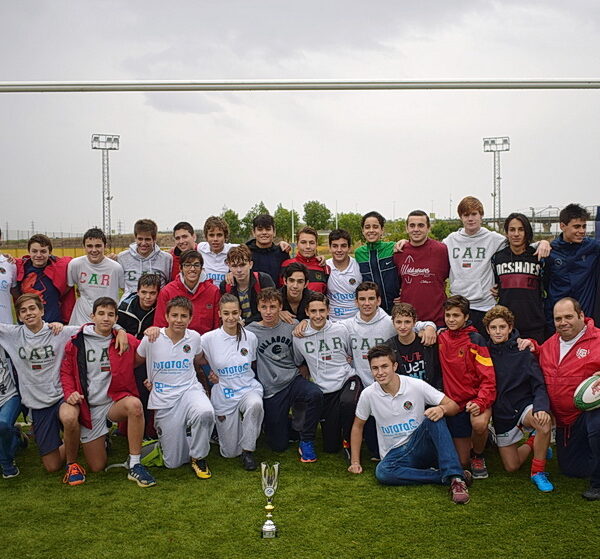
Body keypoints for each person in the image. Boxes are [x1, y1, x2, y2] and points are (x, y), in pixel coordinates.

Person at [0, 294, 127, 479]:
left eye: (32, 308)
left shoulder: (60, 331)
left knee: (69, 418)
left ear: (42, 311)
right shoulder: (12, 335)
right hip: (37, 404)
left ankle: (72, 464)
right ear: (18, 316)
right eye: (23, 311)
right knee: (51, 466)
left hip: (62, 396)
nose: (29, 313)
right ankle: (83, 439)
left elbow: (98, 325)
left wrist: (120, 329)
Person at [348, 345, 471, 505]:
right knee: (383, 472)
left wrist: (441, 409)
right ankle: (445, 476)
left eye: (384, 366)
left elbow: (453, 406)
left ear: (395, 366)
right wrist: (355, 462)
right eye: (375, 368)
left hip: (422, 444)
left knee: (435, 417)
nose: (380, 372)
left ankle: (456, 480)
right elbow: (358, 426)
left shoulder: (416, 385)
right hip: (395, 454)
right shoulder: (368, 394)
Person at [59, 297, 156, 487]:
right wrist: (70, 392)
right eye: (101, 314)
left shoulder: (124, 338)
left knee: (135, 405)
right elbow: (66, 371)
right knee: (97, 466)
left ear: (116, 318)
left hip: (114, 402)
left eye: (110, 315)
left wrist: (154, 331)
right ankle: (102, 439)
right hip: (91, 407)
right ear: (92, 316)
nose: (105, 318)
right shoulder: (77, 341)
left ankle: (135, 464)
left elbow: (149, 350)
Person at [522, 297, 600, 500]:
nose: (563, 322)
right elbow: (541, 356)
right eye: (558, 318)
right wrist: (531, 345)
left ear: (581, 316)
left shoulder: (598, 340)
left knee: (597, 423)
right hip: (566, 423)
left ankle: (598, 483)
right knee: (573, 470)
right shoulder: (551, 343)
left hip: (587, 414)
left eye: (568, 317)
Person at [443, 197, 549, 335]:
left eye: (474, 214)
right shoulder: (450, 240)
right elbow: (431, 249)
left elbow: (520, 244)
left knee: (484, 349)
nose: (470, 219)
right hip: (460, 305)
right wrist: (405, 242)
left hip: (485, 305)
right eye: (466, 215)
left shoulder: (494, 239)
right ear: (460, 217)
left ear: (481, 215)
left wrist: (544, 242)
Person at [136, 296, 215, 478]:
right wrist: (146, 380)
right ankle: (170, 441)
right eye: (174, 315)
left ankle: (199, 457)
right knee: (173, 463)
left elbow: (200, 358)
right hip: (164, 397)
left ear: (190, 318)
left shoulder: (194, 337)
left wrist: (214, 373)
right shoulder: (152, 338)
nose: (179, 320)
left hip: (189, 390)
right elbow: (137, 361)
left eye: (183, 316)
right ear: (166, 316)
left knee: (205, 412)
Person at [246, 288, 323, 461]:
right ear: (258, 307)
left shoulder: (292, 325)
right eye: (264, 307)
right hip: (271, 388)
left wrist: (303, 322)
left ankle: (307, 440)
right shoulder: (251, 332)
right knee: (278, 446)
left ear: (281, 307)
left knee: (315, 394)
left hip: (292, 379)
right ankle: (282, 423)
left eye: (273, 307)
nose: (268, 311)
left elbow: (312, 335)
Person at [483, 305, 553, 492]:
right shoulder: (483, 353)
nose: (498, 332)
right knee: (511, 467)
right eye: (493, 328)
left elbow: (538, 384)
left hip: (524, 405)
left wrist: (541, 408)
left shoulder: (523, 350)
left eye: (502, 327)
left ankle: (538, 472)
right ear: (487, 330)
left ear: (510, 327)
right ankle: (533, 441)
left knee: (543, 423)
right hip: (502, 413)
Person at [293, 292, 361, 460]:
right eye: (313, 311)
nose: (318, 316)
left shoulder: (340, 329)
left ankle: (350, 440)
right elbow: (298, 360)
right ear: (307, 313)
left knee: (348, 402)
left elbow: (350, 353)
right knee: (330, 447)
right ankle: (337, 437)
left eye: (322, 310)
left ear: (329, 310)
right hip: (324, 389)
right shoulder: (299, 336)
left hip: (347, 379)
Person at [201, 294, 264, 470]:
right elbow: (197, 358)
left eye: (234, 313)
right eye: (226, 313)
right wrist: (209, 374)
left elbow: (252, 362)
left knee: (255, 404)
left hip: (247, 388)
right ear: (219, 313)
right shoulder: (208, 339)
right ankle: (230, 438)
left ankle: (248, 451)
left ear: (240, 313)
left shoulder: (250, 337)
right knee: (229, 452)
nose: (230, 317)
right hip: (224, 392)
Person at [437, 295, 496, 478]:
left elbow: (489, 379)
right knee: (463, 462)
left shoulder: (475, 340)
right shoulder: (441, 337)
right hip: (454, 404)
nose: (451, 320)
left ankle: (479, 452)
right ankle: (480, 441)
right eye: (448, 315)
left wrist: (481, 401)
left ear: (466, 317)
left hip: (475, 401)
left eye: (456, 315)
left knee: (478, 424)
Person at [118, 273, 162, 438]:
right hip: (128, 354)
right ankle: (124, 427)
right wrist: (120, 330)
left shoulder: (161, 307)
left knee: (145, 390)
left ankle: (146, 431)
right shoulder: (126, 307)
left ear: (158, 293)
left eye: (152, 293)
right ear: (137, 291)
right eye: (144, 292)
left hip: (150, 356)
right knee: (127, 390)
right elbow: (114, 323)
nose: (148, 297)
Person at [544, 204, 600, 332]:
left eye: (584, 226)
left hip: (584, 322)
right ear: (562, 226)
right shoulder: (550, 251)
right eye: (576, 226)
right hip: (557, 321)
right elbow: (544, 282)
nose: (581, 231)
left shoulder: (593, 248)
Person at [491, 213, 546, 343]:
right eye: (512, 229)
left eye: (521, 229)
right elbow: (495, 285)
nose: (516, 234)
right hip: (506, 327)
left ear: (527, 232)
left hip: (534, 325)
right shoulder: (497, 258)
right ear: (506, 233)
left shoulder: (538, 256)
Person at [393, 210, 449, 327]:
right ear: (407, 228)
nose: (416, 229)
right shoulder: (399, 252)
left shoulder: (441, 250)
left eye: (421, 225)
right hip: (408, 322)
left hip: (437, 321)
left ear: (428, 228)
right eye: (412, 225)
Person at [154, 249, 220, 335]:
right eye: (187, 265)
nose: (192, 269)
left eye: (196, 265)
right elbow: (160, 326)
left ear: (201, 268)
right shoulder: (167, 291)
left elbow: (217, 327)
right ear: (180, 268)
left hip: (204, 344)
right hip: (175, 342)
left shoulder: (213, 291)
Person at [68, 228, 124, 326]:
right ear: (84, 247)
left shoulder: (115, 268)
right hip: (81, 320)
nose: (94, 250)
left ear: (105, 246)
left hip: (106, 320)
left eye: (98, 246)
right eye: (89, 246)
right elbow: (69, 288)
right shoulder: (75, 264)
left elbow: (125, 291)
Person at [14, 233, 75, 324]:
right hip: (28, 325)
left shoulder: (61, 266)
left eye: (43, 251)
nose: (38, 255)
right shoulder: (19, 267)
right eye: (34, 251)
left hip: (54, 325)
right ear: (29, 251)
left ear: (49, 252)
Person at [385, 303, 443, 390]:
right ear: (393, 322)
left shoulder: (426, 341)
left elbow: (438, 370)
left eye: (407, 322)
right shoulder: (388, 348)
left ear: (414, 322)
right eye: (398, 322)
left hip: (430, 392)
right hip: (405, 395)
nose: (403, 327)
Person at [355, 211, 399, 315]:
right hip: (371, 309)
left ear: (382, 230)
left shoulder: (393, 248)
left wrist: (405, 293)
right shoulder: (359, 253)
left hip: (395, 307)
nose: (371, 230)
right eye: (367, 227)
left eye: (375, 227)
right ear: (362, 230)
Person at [219, 244, 274, 325]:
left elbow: (270, 309)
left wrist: (245, 322)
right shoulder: (225, 285)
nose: (239, 270)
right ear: (229, 267)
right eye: (234, 266)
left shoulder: (263, 280)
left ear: (250, 264)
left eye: (242, 265)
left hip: (262, 327)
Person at [117, 219, 172, 298]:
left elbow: (168, 282)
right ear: (135, 238)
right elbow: (121, 285)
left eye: (147, 239)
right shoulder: (122, 257)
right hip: (130, 305)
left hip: (157, 305)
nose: (143, 243)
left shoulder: (166, 259)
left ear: (154, 239)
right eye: (140, 239)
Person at [280, 226, 329, 294]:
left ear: (316, 244)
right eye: (303, 242)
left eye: (311, 243)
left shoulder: (324, 267)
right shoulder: (286, 265)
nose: (308, 246)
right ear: (297, 244)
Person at [326, 229, 362, 321]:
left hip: (356, 322)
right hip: (333, 323)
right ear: (329, 247)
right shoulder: (324, 267)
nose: (339, 250)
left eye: (343, 246)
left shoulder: (359, 266)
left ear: (349, 248)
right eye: (335, 246)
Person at [246, 214, 289, 284]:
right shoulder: (245, 253)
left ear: (274, 232)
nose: (264, 233)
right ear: (253, 232)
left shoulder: (282, 253)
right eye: (260, 230)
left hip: (277, 294)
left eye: (268, 229)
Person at [198, 216, 238, 286]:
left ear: (225, 237)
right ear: (206, 237)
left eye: (219, 235)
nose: (215, 239)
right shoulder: (200, 248)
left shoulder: (234, 250)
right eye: (211, 235)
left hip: (226, 294)